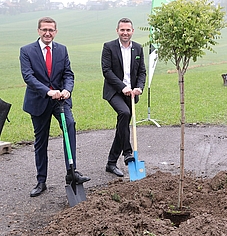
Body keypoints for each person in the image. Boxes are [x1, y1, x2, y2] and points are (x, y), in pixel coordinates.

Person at [20, 17, 90, 197]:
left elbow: (68, 73)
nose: (47, 33)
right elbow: (28, 77)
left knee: (70, 124)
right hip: (39, 101)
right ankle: (41, 180)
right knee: (41, 141)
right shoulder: (27, 51)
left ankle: (71, 173)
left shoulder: (62, 50)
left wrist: (67, 89)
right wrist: (47, 92)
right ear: (38, 31)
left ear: (56, 32)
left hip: (60, 101)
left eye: (51, 30)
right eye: (44, 29)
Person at [101, 17, 146, 177]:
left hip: (132, 93)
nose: (125, 33)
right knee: (124, 114)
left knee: (122, 126)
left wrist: (139, 87)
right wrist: (123, 87)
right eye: (122, 30)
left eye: (128, 30)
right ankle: (127, 152)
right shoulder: (109, 47)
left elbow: (142, 72)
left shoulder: (138, 49)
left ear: (132, 31)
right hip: (114, 91)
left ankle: (111, 163)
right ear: (117, 31)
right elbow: (106, 71)